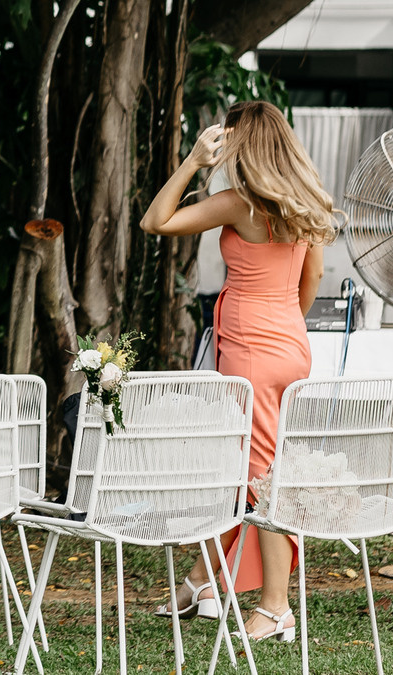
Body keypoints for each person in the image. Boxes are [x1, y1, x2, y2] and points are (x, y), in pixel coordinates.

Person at [138, 98, 334, 644]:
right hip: (289, 344)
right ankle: (203, 581)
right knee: (245, 466)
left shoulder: (236, 205)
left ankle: (275, 609)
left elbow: (156, 221)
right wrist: (282, 326)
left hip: (249, 351)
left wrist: (192, 162)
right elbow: (310, 282)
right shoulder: (307, 204)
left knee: (259, 478)